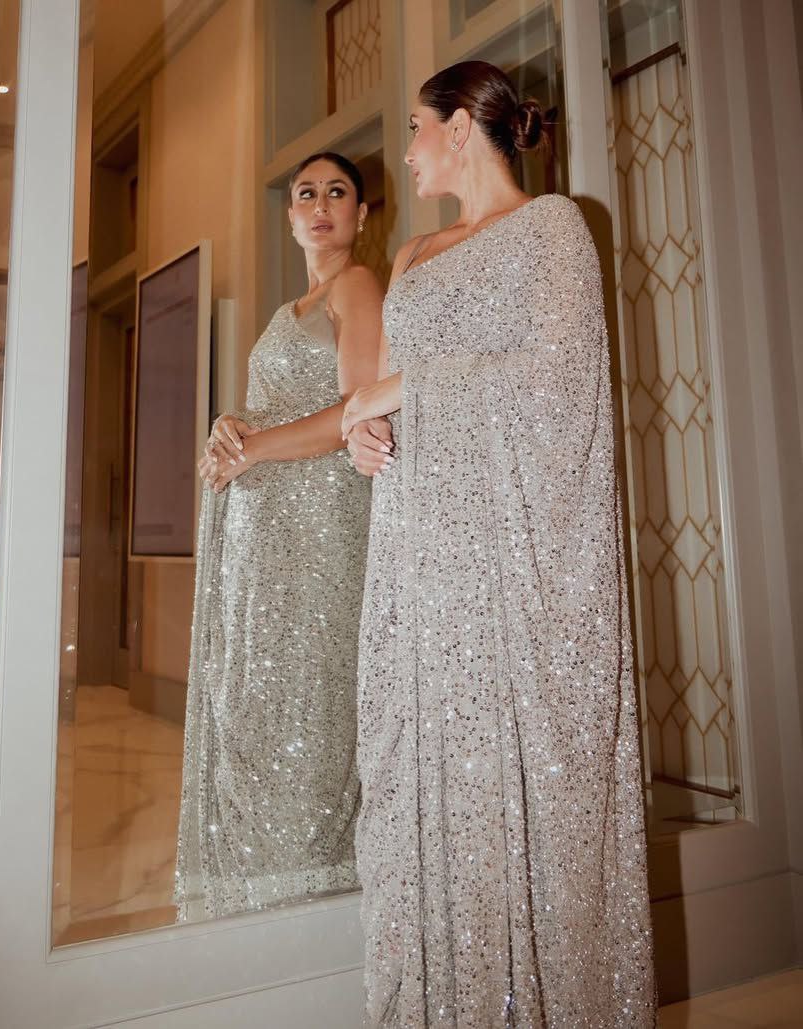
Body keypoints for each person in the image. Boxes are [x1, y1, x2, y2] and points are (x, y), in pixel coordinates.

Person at [342, 62, 657, 1026]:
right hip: (418, 559)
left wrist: (406, 391)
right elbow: (381, 388)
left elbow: (560, 378)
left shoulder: (554, 228)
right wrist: (364, 431)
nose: (405, 152)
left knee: (513, 785)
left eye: (414, 127)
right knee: (424, 787)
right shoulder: (409, 254)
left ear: (459, 129)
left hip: (510, 565)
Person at [175, 152, 385, 920]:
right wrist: (232, 426)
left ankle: (315, 897)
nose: (321, 205)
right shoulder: (282, 313)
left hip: (322, 533)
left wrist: (255, 446)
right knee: (256, 703)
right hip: (263, 542)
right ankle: (258, 892)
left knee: (311, 703)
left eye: (338, 192)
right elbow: (273, 408)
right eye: (306, 194)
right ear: (291, 216)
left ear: (362, 214)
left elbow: (358, 407)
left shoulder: (357, 285)